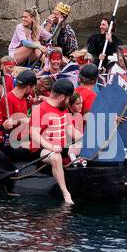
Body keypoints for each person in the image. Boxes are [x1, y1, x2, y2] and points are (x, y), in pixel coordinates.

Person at [29, 76, 85, 206]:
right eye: (68, 98)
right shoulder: (40, 109)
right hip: (41, 149)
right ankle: (66, 193)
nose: (69, 102)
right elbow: (34, 134)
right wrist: (50, 146)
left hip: (60, 146)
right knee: (55, 157)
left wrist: (85, 139)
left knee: (82, 147)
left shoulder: (64, 109)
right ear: (62, 97)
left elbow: (70, 130)